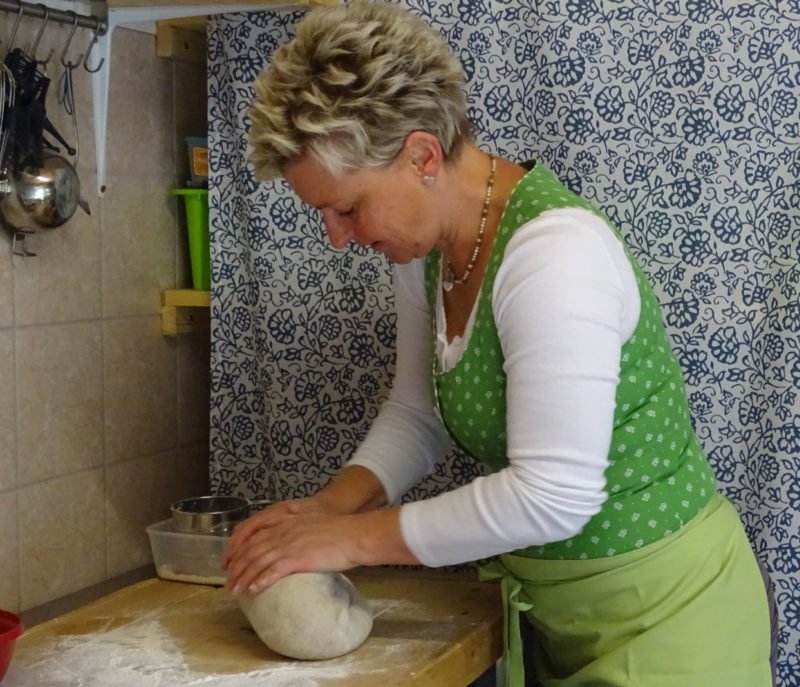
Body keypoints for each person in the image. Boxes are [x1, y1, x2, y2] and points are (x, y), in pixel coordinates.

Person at [222, 2, 773, 685]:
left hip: (671, 620)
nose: (338, 236)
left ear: (422, 154)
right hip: (561, 620)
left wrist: (352, 539)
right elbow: (418, 414)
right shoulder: (423, 252)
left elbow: (553, 496)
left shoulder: (554, 257)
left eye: (348, 206)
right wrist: (330, 505)